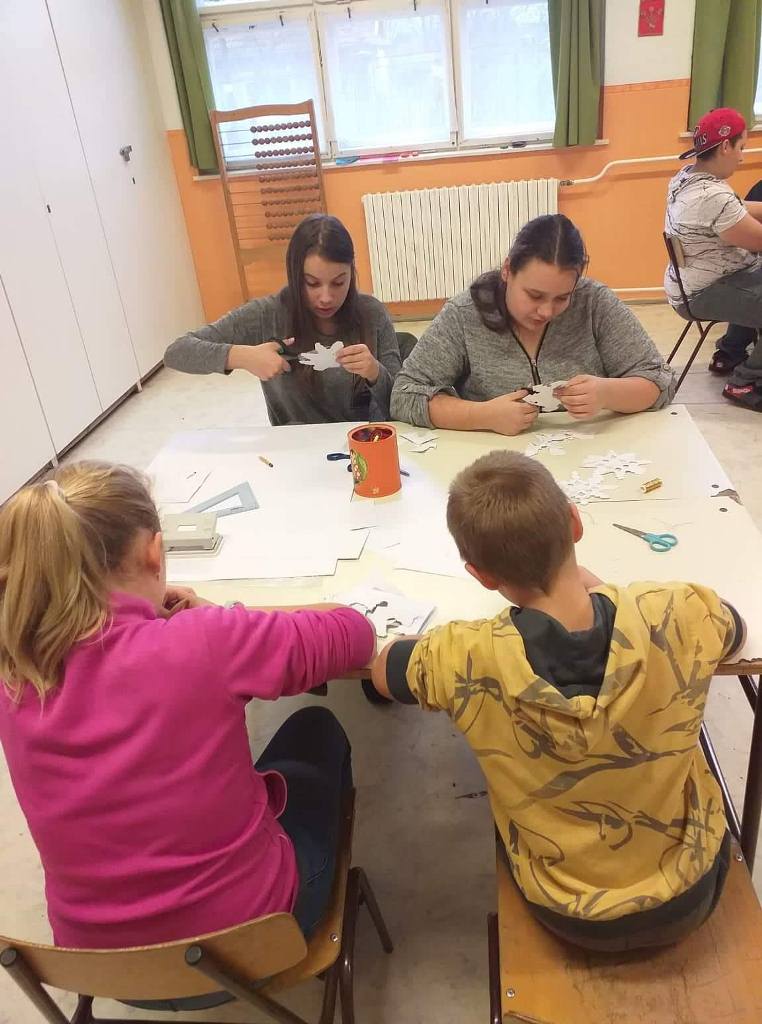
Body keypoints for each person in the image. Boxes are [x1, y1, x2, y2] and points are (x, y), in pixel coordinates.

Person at [0, 463, 375, 966]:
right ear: (154, 553)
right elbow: (354, 633)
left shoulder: (13, 669)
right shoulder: (202, 641)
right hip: (251, 935)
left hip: (96, 959)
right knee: (315, 727)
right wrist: (223, 616)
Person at [372, 451, 745, 951]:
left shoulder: (463, 654)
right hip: (690, 893)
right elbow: (735, 630)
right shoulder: (674, 611)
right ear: (575, 523)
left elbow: (384, 674)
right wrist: (610, 595)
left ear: (481, 575)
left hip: (566, 910)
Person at [390, 214, 675, 433]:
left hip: (592, 456)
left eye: (562, 297)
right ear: (507, 271)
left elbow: (660, 380)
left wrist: (607, 393)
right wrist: (482, 415)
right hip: (500, 464)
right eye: (534, 295)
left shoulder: (594, 302)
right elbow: (405, 395)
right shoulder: (465, 314)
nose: (546, 311)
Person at [165, 214, 401, 424]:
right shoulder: (268, 314)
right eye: (312, 283)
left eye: (339, 282)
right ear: (294, 275)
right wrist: (243, 357)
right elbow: (177, 352)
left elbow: (400, 402)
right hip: (292, 447)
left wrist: (375, 373)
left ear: (351, 272)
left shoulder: (372, 313)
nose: (326, 297)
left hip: (364, 443)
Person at [664, 107, 762, 411]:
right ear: (725, 146)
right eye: (741, 147)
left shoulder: (688, 177)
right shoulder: (712, 196)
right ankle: (745, 382)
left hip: (693, 283)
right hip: (704, 292)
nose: (742, 157)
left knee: (754, 274)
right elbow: (756, 238)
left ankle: (730, 353)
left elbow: (737, 207)